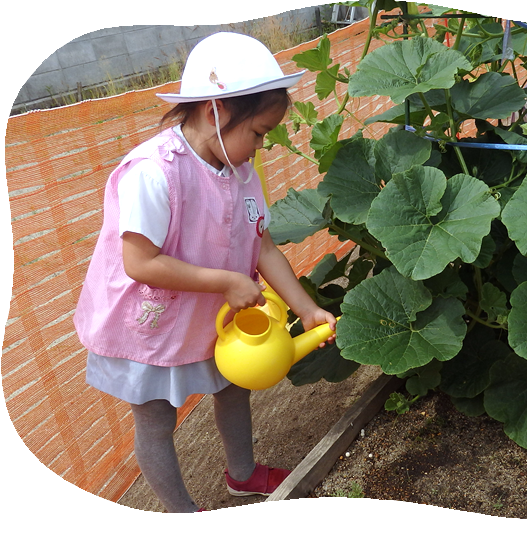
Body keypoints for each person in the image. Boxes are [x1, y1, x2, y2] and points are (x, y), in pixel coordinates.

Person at [74, 32, 336, 550]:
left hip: (208, 315)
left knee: (232, 385)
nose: (262, 146)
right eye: (259, 133)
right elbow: (140, 262)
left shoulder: (238, 170)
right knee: (156, 418)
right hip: (147, 323)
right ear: (217, 109)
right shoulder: (154, 173)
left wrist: (305, 307)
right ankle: (182, 515)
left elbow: (261, 247)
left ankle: (241, 472)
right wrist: (225, 281)